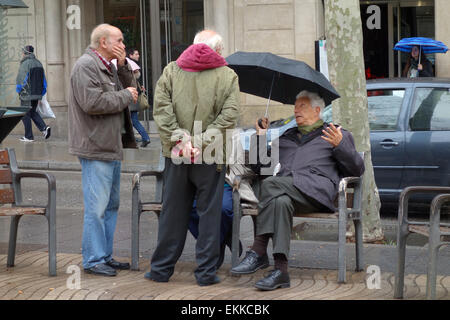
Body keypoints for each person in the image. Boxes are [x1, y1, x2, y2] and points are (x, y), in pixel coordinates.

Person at [230, 90, 365, 291]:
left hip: (317, 192)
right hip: (287, 192)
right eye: (295, 106)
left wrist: (341, 146)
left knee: (270, 185)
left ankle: (258, 250)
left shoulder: (335, 134)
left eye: (302, 106)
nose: (296, 110)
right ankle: (281, 271)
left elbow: (357, 169)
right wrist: (260, 135)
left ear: (317, 110)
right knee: (279, 202)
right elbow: (261, 167)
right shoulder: (286, 137)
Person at [147, 30, 240, 286]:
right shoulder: (228, 75)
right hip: (210, 155)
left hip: (176, 153)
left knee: (173, 213)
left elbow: (161, 111)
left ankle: (160, 269)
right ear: (218, 51)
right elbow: (228, 117)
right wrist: (198, 143)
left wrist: (182, 140)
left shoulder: (171, 70)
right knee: (210, 215)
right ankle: (206, 274)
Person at [68, 24, 139, 277]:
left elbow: (135, 95)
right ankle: (93, 259)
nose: (123, 45)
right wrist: (124, 95)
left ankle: (105, 256)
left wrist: (122, 67)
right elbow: (92, 103)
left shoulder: (110, 65)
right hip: (95, 146)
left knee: (110, 206)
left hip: (111, 145)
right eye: (118, 40)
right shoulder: (85, 66)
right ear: (103, 43)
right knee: (97, 208)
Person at [15, 45, 51, 142]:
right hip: (37, 94)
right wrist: (41, 93)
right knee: (32, 112)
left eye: (22, 52)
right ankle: (44, 128)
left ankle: (29, 136)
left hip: (26, 94)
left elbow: (21, 80)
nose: (22, 54)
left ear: (25, 53)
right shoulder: (39, 63)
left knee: (24, 114)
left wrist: (19, 90)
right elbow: (44, 81)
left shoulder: (25, 64)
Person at [126, 48, 151, 147]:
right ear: (131, 55)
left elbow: (132, 82)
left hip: (131, 99)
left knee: (133, 120)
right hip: (132, 98)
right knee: (130, 120)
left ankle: (145, 137)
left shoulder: (128, 66)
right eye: (136, 54)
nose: (138, 56)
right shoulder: (129, 67)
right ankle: (132, 137)